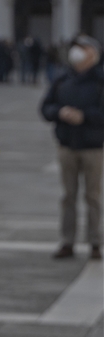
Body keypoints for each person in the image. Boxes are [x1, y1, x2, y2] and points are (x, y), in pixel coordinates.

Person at [40, 34, 104, 260]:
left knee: (93, 196)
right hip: (67, 144)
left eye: (82, 48)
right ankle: (67, 241)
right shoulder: (62, 78)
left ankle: (95, 242)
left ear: (92, 53)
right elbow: (46, 107)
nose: (76, 51)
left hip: (93, 146)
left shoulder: (99, 80)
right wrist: (60, 113)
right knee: (68, 196)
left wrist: (83, 116)